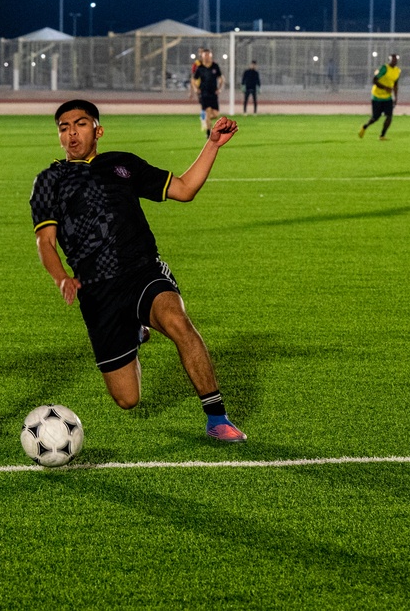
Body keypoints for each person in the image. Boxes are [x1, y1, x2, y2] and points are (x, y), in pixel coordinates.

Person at [30, 100, 247, 442]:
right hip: (97, 291)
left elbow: (185, 189)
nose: (72, 132)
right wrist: (61, 277)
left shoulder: (122, 164)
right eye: (63, 127)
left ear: (98, 130)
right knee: (127, 399)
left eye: (81, 124)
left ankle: (217, 418)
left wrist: (212, 145)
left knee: (178, 322)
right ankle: (135, 330)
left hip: (141, 269)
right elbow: (46, 242)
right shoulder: (48, 181)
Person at [358, 53, 401, 141]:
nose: (394, 61)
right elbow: (374, 80)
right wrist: (385, 87)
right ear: (389, 60)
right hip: (377, 96)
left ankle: (382, 135)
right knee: (375, 118)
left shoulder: (397, 71)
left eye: (396, 60)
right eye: (393, 59)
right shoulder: (384, 68)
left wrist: (395, 98)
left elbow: (395, 84)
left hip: (388, 98)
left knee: (389, 116)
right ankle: (365, 127)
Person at [191, 48, 223, 139]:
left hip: (213, 92)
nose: (207, 57)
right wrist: (195, 88)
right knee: (208, 111)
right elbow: (193, 79)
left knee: (215, 114)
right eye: (205, 55)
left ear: (211, 56)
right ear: (202, 56)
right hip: (204, 93)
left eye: (208, 55)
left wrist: (219, 88)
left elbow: (221, 78)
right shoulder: (200, 68)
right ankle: (209, 132)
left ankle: (205, 119)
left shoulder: (215, 66)